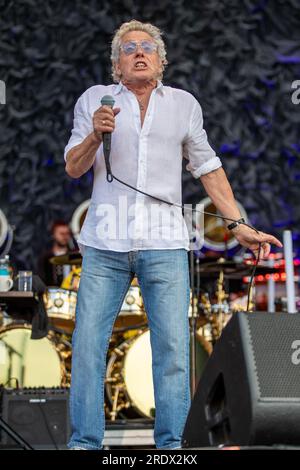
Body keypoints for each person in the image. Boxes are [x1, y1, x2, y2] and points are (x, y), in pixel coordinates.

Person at [64, 20, 282, 450]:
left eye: (148, 47)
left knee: (174, 354)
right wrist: (95, 133)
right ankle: (84, 445)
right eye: (129, 48)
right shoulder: (95, 100)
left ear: (161, 61)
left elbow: (208, 167)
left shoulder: (183, 104)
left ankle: (172, 449)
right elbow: (73, 166)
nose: (139, 52)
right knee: (87, 347)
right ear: (116, 64)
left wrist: (237, 225)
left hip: (165, 242)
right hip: (105, 243)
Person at [37, 220, 74, 286]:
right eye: (61, 234)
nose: (65, 237)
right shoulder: (45, 258)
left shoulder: (74, 256)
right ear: (53, 235)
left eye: (67, 233)